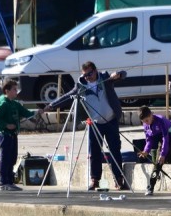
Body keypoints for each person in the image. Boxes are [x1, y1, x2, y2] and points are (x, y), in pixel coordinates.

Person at [41, 61, 130, 191]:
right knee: (94, 152)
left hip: (111, 120)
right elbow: (67, 97)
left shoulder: (105, 78)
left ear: (95, 70)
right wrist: (51, 105)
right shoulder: (81, 86)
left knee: (115, 150)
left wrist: (118, 74)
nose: (87, 77)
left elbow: (124, 74)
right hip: (94, 123)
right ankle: (95, 180)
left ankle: (119, 179)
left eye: (90, 74)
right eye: (85, 75)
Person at [0, 79, 35, 192]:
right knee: (5, 158)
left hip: (13, 135)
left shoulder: (15, 104)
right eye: (14, 89)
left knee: (12, 158)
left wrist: (38, 112)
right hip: (4, 134)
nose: (17, 91)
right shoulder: (3, 104)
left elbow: (26, 113)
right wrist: (6, 125)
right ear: (7, 91)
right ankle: (3, 182)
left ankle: (10, 181)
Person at [137, 105, 171, 196]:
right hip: (162, 140)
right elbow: (149, 140)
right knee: (157, 164)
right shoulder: (146, 125)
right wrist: (146, 150)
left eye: (147, 120)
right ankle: (150, 187)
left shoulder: (160, 120)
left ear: (151, 115)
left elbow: (166, 138)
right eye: (144, 122)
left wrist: (163, 154)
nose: (146, 123)